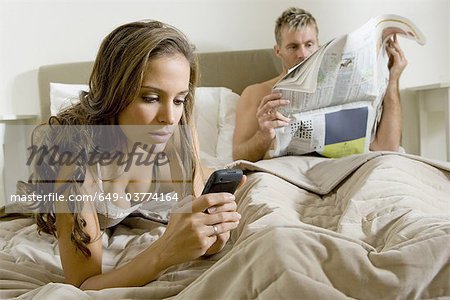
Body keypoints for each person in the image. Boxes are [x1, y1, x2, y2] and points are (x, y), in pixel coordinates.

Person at [17, 20, 242, 290]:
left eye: (179, 99)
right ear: (115, 93)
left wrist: (214, 232)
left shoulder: (178, 128)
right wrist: (164, 252)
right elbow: (84, 284)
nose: (169, 118)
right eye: (150, 98)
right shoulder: (76, 163)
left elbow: (197, 218)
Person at [233, 7, 407, 162]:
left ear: (319, 46)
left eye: (309, 44)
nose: (303, 54)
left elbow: (387, 148)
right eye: (293, 47)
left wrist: (393, 79)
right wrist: (264, 134)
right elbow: (239, 156)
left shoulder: (345, 88)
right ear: (278, 51)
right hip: (286, 173)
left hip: (346, 168)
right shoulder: (256, 93)